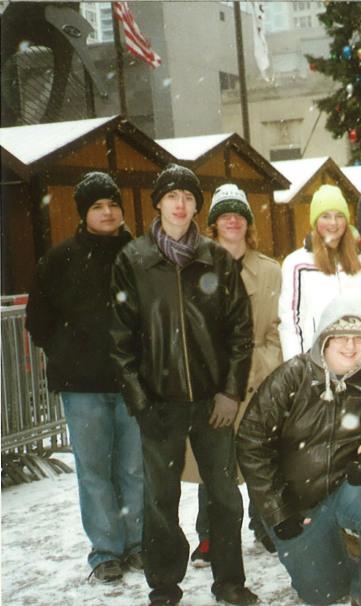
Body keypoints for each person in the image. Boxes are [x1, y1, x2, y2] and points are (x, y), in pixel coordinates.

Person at [110, 164, 257, 606]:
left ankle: (229, 582)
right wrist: (139, 399)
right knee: (160, 500)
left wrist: (231, 392)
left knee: (225, 497)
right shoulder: (133, 260)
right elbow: (119, 339)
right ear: (158, 202)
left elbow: (240, 331)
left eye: (189, 198)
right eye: (172, 196)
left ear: (197, 206)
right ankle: (165, 585)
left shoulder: (216, 259)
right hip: (159, 403)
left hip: (213, 402)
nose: (180, 204)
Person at [236, 299, 361, 606]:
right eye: (341, 337)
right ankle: (340, 549)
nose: (351, 346)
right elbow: (252, 443)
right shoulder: (292, 376)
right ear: (324, 340)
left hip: (350, 489)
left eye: (360, 338)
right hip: (297, 502)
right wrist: (278, 510)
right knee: (324, 593)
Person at [25, 172, 142, 583]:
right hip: (82, 387)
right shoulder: (60, 260)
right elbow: (38, 321)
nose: (107, 212)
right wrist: (65, 352)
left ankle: (138, 543)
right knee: (94, 469)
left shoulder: (139, 254)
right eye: (97, 206)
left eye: (112, 204)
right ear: (84, 214)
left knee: (133, 468)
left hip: (133, 383)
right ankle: (107, 550)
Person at [183, 184, 282, 565]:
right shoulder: (196, 269)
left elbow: (274, 331)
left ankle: (267, 523)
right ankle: (210, 535)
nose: (232, 220)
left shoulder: (270, 271)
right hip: (214, 382)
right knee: (215, 461)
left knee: (261, 454)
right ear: (212, 224)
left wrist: (259, 370)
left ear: (248, 223)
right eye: (224, 214)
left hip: (259, 379)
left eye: (239, 213)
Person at [278, 184, 361, 360]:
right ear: (315, 221)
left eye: (339, 216)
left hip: (360, 362)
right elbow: (291, 323)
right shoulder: (296, 264)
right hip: (316, 365)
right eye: (325, 216)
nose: (333, 223)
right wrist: (297, 368)